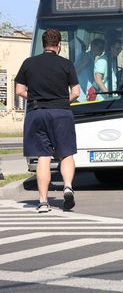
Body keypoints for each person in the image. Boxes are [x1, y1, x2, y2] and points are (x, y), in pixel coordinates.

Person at [15, 29, 80, 213]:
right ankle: (67, 186)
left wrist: (36, 97)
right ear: (59, 45)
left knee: (43, 156)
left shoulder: (29, 63)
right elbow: (76, 92)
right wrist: (61, 101)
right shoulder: (66, 64)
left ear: (43, 44)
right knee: (66, 153)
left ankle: (43, 202)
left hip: (37, 112)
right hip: (61, 112)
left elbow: (19, 90)